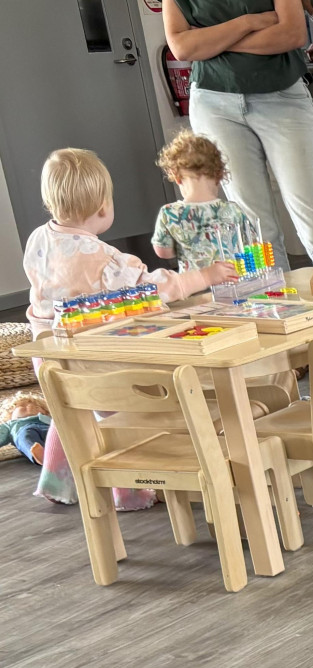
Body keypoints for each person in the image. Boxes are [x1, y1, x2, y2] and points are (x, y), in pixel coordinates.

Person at [21, 149, 235, 507]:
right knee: (126, 411)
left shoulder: (38, 239)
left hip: (47, 353)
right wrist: (204, 276)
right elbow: (153, 286)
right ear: (104, 207)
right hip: (93, 358)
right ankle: (131, 488)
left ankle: (58, 484)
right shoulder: (104, 259)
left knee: (68, 410)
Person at [165, 0, 313, 267]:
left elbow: (292, 34)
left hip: (283, 96)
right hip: (213, 103)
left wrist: (212, 41)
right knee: (252, 226)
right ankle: (275, 303)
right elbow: (182, 48)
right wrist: (248, 23)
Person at [151, 131, 264, 269]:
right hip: (233, 282)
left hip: (194, 286)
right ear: (219, 175)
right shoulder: (233, 210)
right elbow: (254, 245)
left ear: (177, 177)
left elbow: (163, 251)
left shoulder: (169, 213)